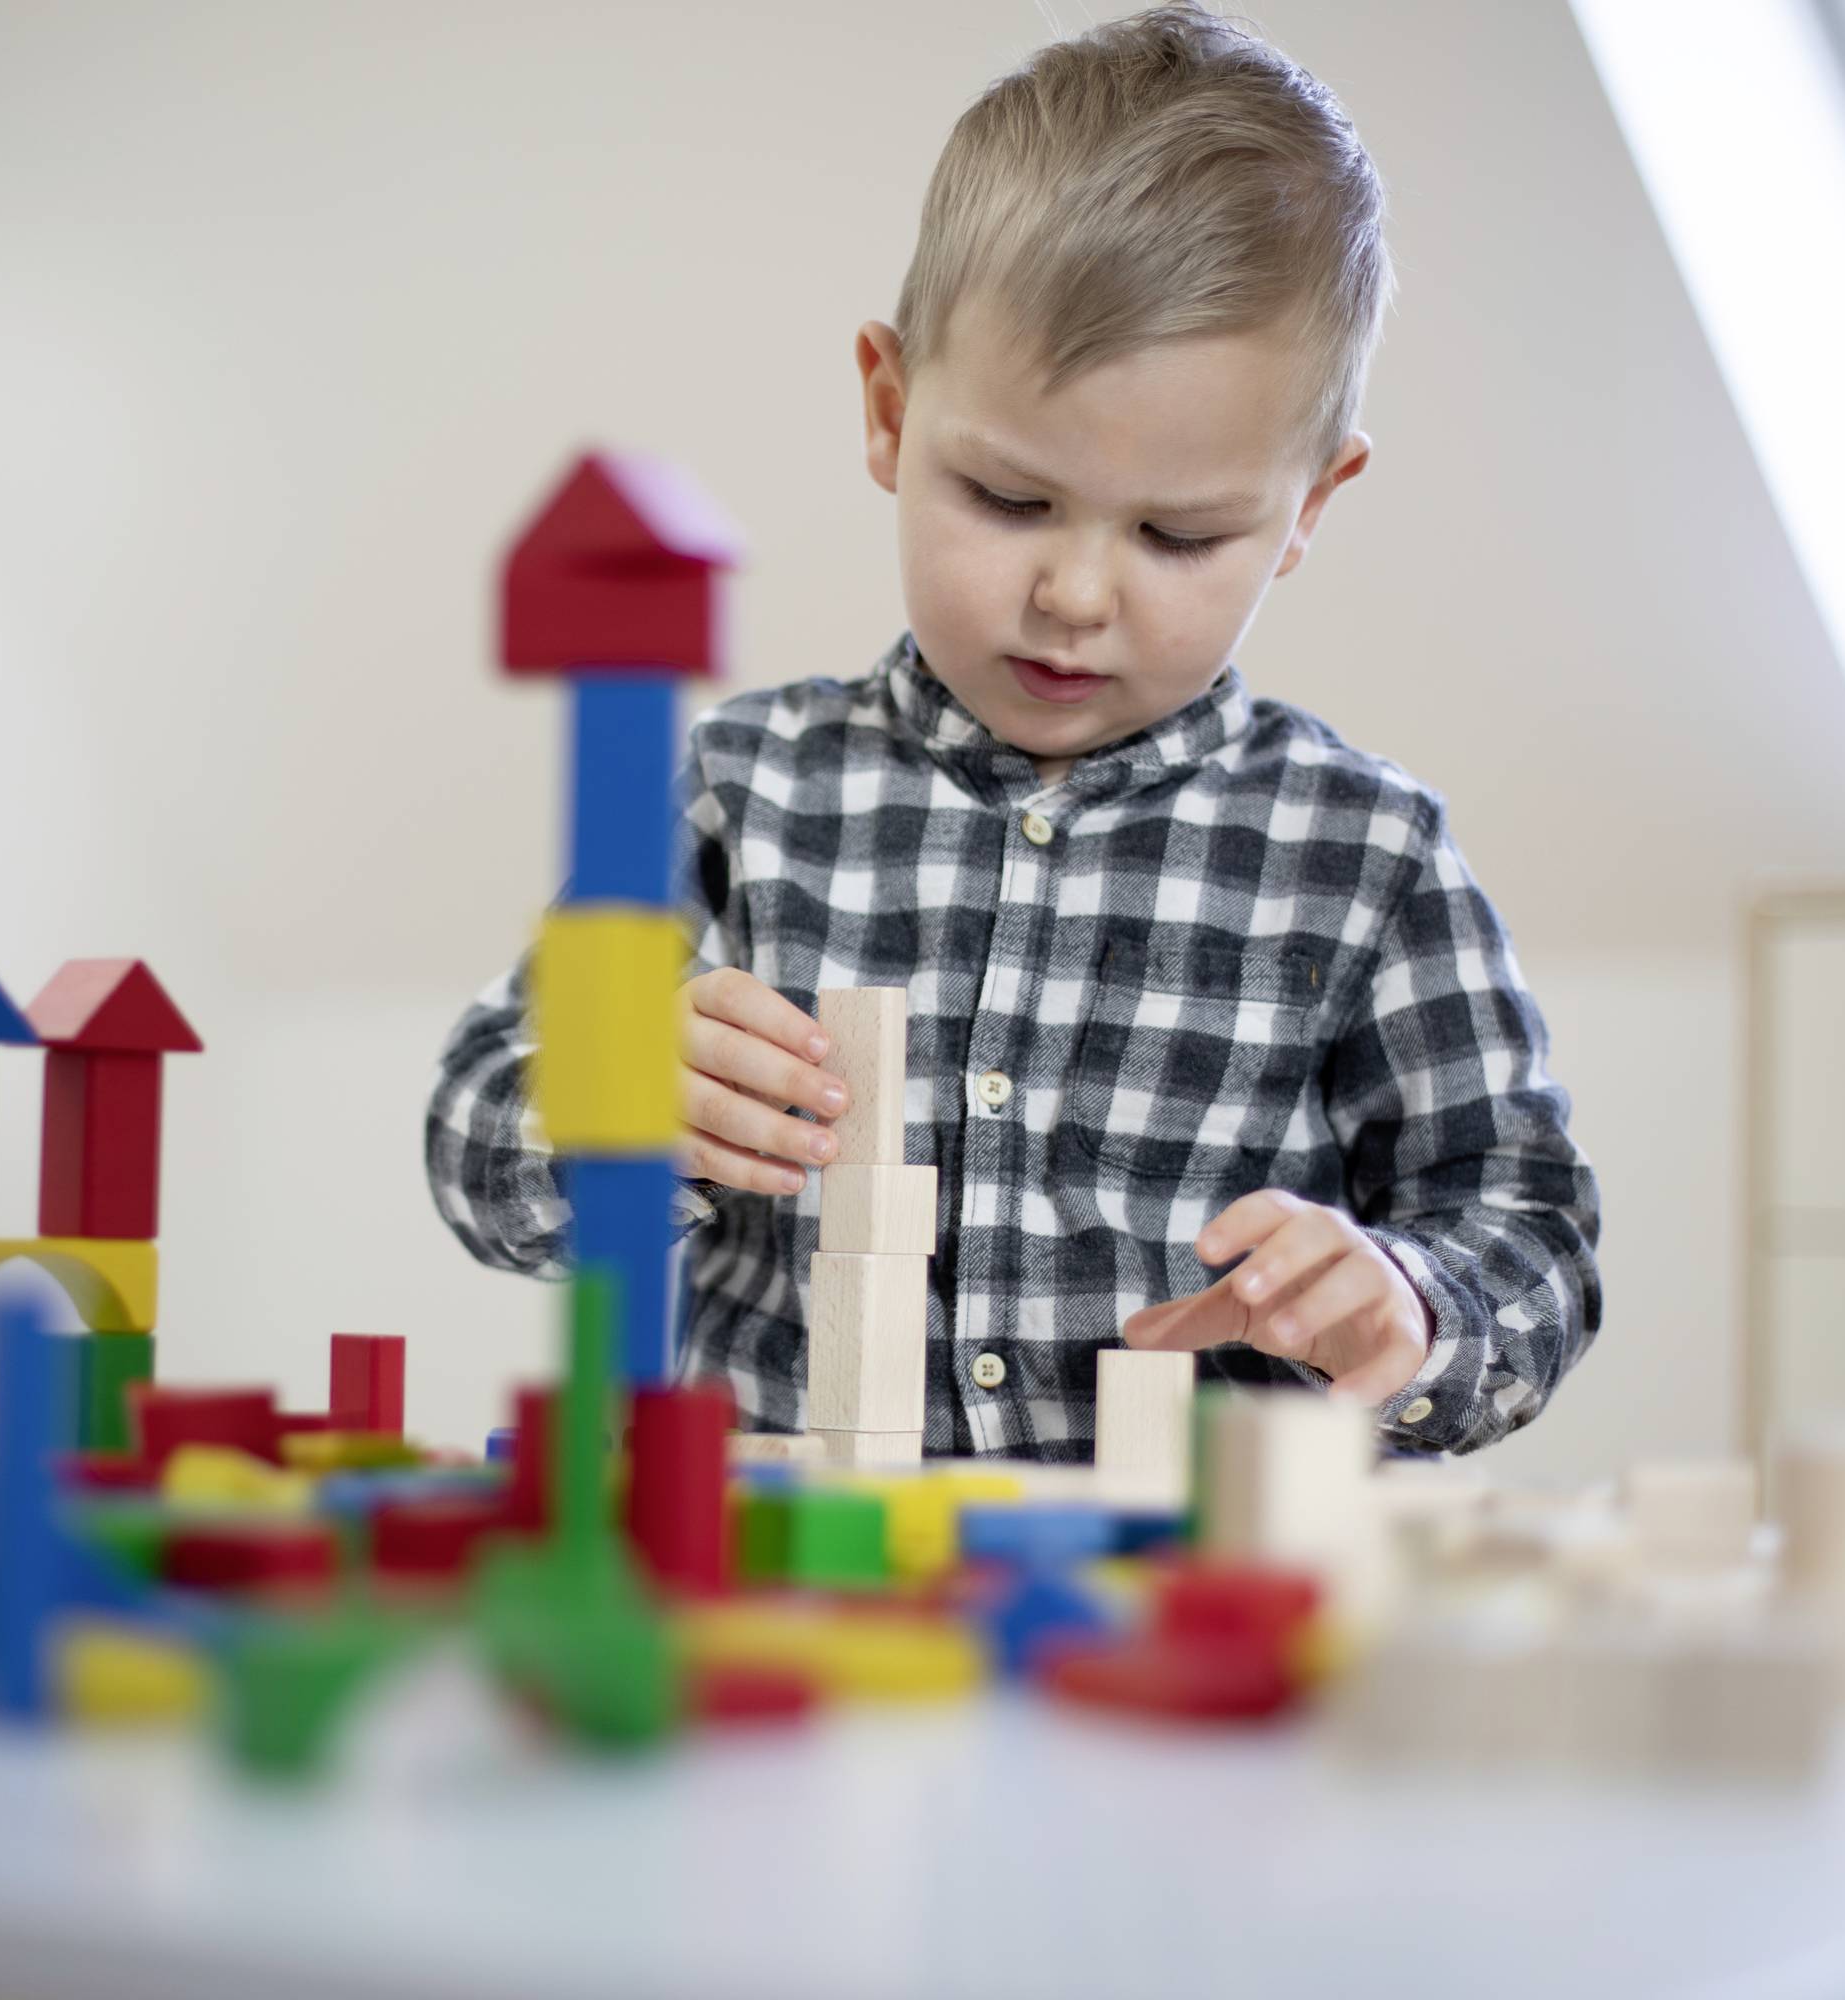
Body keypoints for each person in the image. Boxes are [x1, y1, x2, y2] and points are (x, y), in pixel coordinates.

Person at [428, 3, 1600, 1459]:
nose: (1076, 593)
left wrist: (1409, 1302)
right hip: (795, 1600)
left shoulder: (1364, 855)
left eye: (1179, 534)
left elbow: (1529, 1231)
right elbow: (476, 1135)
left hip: (1177, 1627)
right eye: (1009, 500)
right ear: (890, 404)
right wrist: (610, 1098)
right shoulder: (742, 789)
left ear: (1308, 506)